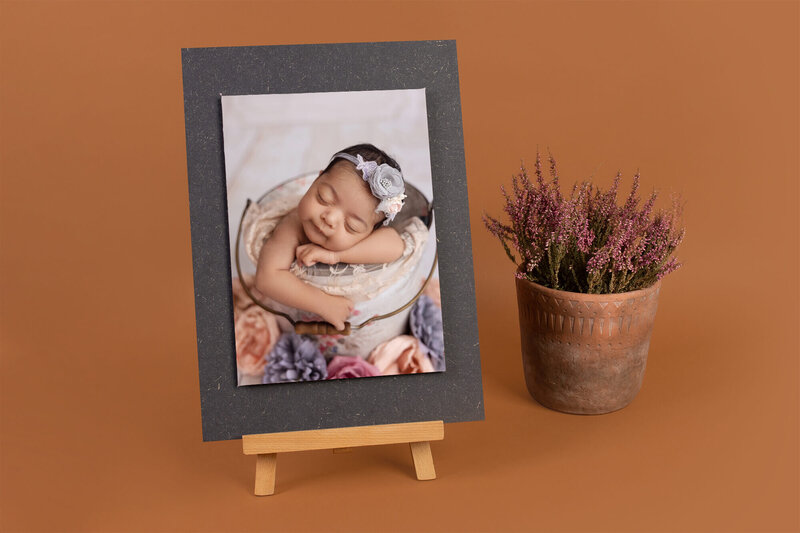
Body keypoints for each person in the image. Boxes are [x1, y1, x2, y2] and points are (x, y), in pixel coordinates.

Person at [255, 144, 407, 331]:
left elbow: (396, 246)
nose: (330, 219)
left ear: (370, 232)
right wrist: (323, 303)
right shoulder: (294, 225)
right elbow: (267, 278)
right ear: (316, 180)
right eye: (323, 198)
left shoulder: (371, 237)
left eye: (351, 226)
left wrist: (335, 256)